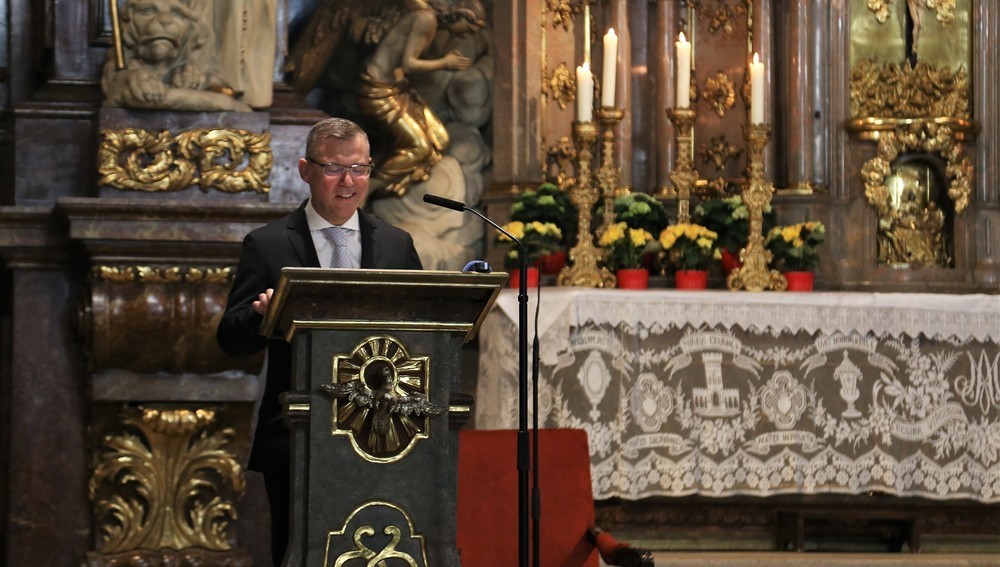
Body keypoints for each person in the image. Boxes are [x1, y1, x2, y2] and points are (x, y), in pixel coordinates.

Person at [216, 117, 423, 564]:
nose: (348, 181)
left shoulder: (395, 244)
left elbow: (420, 334)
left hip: (382, 437)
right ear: (305, 169)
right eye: (333, 168)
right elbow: (229, 339)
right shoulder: (268, 245)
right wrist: (258, 317)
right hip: (298, 438)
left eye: (360, 169)